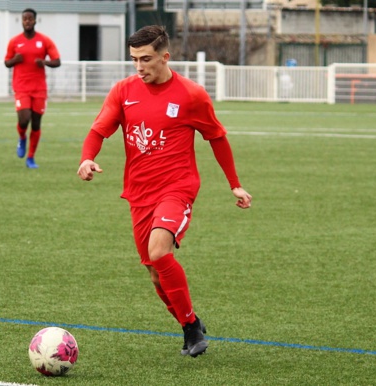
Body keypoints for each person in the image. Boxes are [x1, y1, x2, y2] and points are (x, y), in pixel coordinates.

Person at [77, 25, 252, 358]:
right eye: (134, 60)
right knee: (156, 275)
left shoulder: (191, 94)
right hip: (139, 193)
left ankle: (191, 331)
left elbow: (216, 137)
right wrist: (88, 158)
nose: (139, 67)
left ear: (164, 57)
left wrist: (234, 183)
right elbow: (98, 131)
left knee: (159, 251)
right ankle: (191, 324)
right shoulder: (123, 91)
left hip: (177, 187)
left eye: (146, 59)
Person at [4, 8, 61, 169]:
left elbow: (57, 61)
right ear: (21, 21)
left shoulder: (44, 41)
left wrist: (44, 62)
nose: (27, 21)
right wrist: (15, 59)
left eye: (30, 19)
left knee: (36, 124)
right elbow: (6, 62)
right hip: (21, 87)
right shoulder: (15, 42)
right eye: (25, 19)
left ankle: (31, 158)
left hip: (39, 88)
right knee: (24, 119)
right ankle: (22, 137)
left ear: (35, 21)